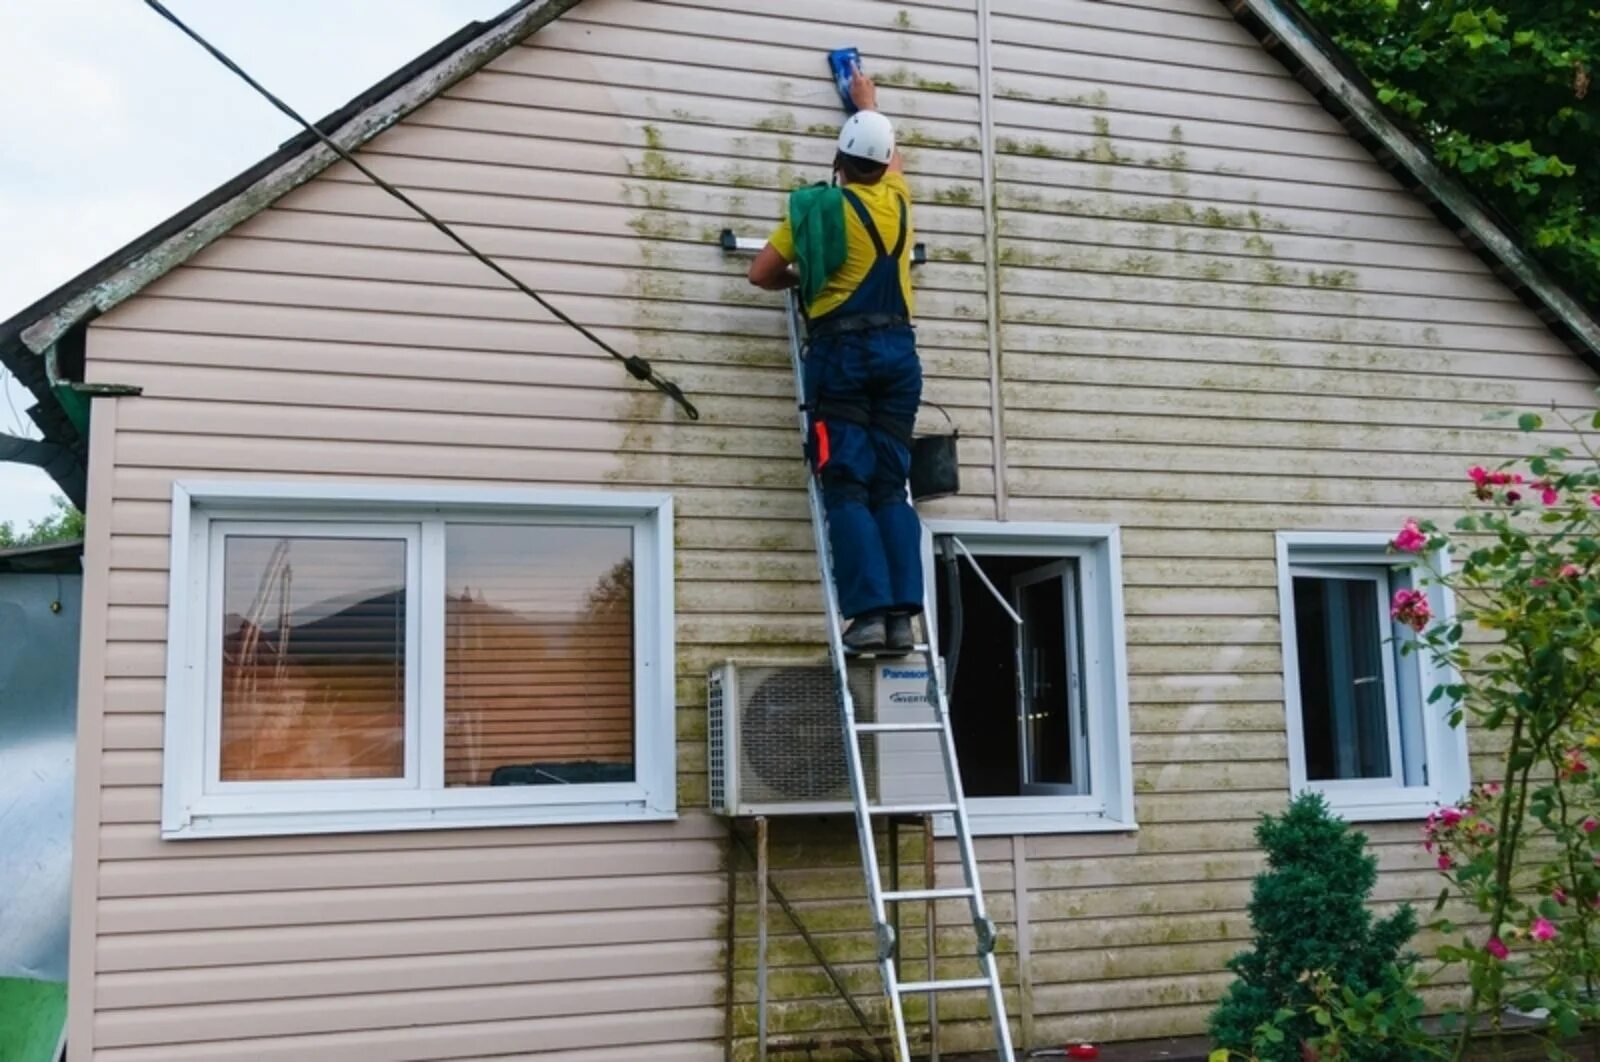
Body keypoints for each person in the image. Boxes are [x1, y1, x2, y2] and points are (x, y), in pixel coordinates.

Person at [747, 69, 922, 654]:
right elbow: (890, 159)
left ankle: (868, 616)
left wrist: (804, 277)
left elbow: (761, 274)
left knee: (846, 485)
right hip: (900, 355)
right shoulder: (899, 199)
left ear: (839, 159)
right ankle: (901, 618)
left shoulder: (815, 210)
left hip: (843, 355)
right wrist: (868, 105)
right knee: (890, 486)